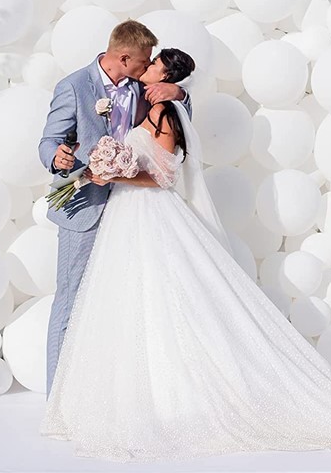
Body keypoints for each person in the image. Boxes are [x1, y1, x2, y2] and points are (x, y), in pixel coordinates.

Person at [39, 48, 331, 463]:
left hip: (144, 211)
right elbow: (60, 140)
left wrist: (119, 169)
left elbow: (165, 175)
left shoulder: (165, 109)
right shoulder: (111, 90)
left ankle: (161, 396)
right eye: (145, 63)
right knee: (108, 299)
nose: (144, 69)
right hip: (113, 213)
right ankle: (81, 396)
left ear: (165, 76)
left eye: (153, 66)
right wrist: (84, 161)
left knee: (159, 298)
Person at [38, 20, 191, 396]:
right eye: (143, 62)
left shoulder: (144, 85)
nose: (148, 67)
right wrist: (57, 159)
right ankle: (57, 396)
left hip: (133, 207)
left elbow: (180, 110)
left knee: (125, 300)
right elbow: (48, 141)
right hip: (86, 207)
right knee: (71, 301)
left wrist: (179, 93)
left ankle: (112, 392)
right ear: (124, 58)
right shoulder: (74, 87)